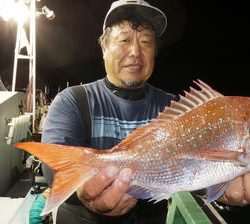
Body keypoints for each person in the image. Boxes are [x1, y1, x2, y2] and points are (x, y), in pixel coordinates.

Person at [40, 0, 250, 223]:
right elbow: (53, 165)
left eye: (146, 42)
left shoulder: (173, 106)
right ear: (104, 48)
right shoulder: (74, 99)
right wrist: (83, 190)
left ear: (154, 53)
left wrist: (222, 193)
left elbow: (192, 174)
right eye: (124, 40)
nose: (135, 51)